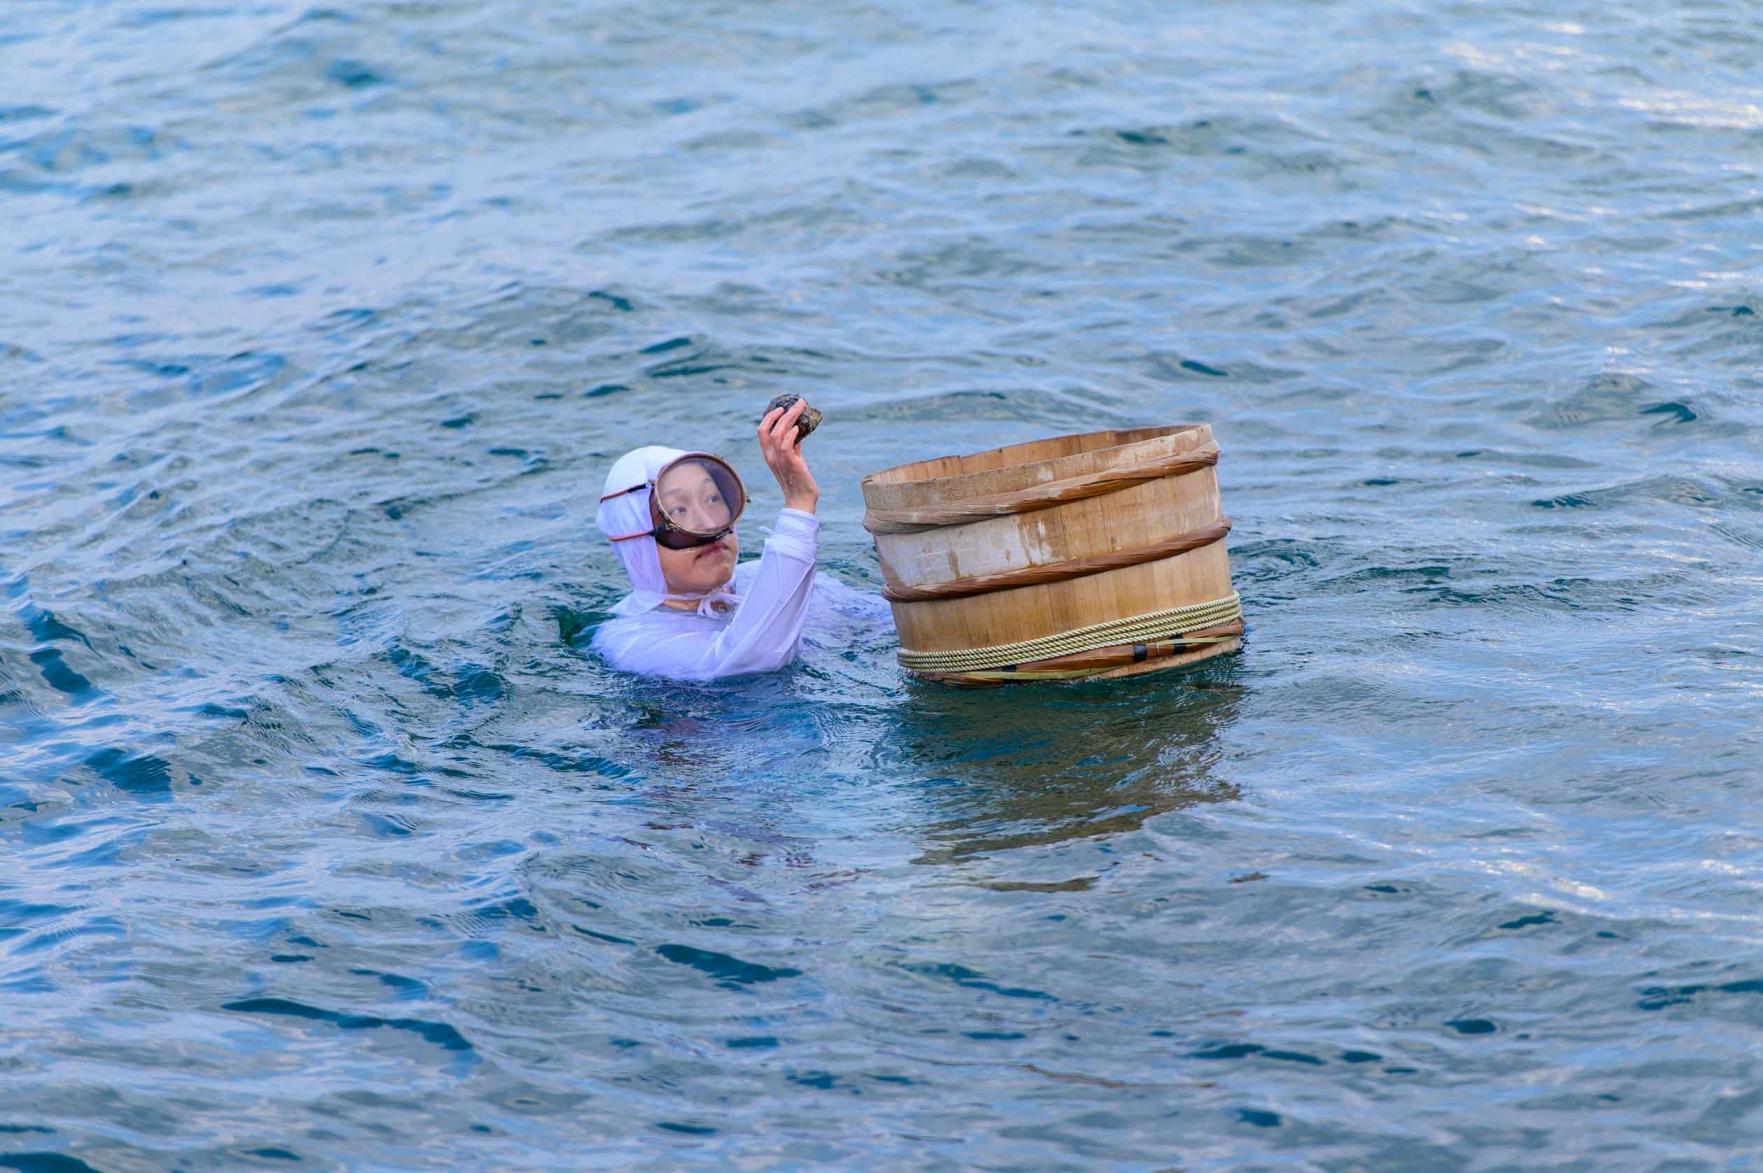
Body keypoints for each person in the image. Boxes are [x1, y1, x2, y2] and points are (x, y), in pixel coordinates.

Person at [591, 399, 823, 680]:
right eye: (678, 511)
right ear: (638, 542)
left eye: (713, 499)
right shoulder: (630, 640)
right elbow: (750, 661)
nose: (709, 524)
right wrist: (798, 506)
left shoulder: (768, 578)